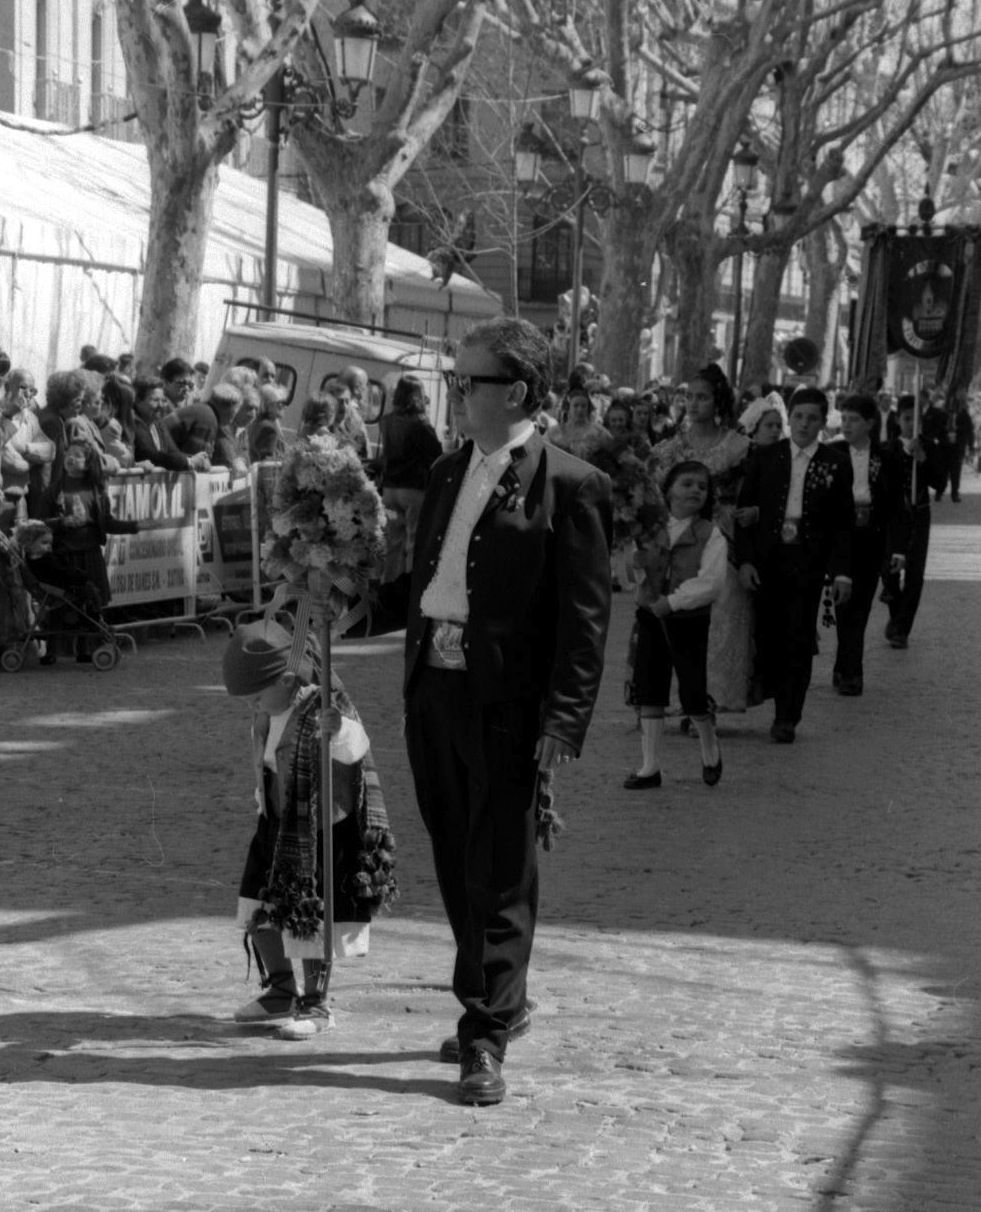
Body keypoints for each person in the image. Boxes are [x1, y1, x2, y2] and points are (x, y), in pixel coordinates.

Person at [391, 316, 612, 1106]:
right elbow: (427, 576)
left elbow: (583, 620)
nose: (454, 393)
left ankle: (483, 1034)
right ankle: (498, 998)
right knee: (456, 856)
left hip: (508, 701)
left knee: (500, 866)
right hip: (435, 689)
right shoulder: (450, 472)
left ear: (514, 390)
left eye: (467, 381)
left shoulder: (573, 485)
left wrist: (563, 720)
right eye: (453, 378)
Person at [221, 618, 397, 1037]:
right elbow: (266, 765)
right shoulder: (267, 714)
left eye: (257, 696)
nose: (253, 705)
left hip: (317, 832)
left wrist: (339, 730)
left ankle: (317, 1003)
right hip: (275, 826)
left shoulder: (322, 706)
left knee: (311, 916)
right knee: (260, 905)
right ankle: (281, 988)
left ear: (286, 679)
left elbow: (356, 747)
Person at [736, 386, 854, 743]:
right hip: (769, 557)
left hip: (808, 559)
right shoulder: (766, 457)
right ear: (790, 417)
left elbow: (843, 522)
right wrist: (745, 561)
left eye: (812, 418)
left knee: (799, 637)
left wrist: (842, 572)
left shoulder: (835, 462)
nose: (804, 424)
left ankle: (787, 715)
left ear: (822, 422)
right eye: (799, 416)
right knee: (769, 635)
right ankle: (769, 691)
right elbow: (745, 512)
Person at [652, 364, 752, 714]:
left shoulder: (737, 446)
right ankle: (676, 697)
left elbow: (748, 495)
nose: (694, 404)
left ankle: (710, 699)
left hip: (721, 540)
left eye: (703, 397)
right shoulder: (669, 449)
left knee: (721, 620)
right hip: (678, 542)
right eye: (689, 397)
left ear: (718, 401)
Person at [625, 461, 726, 790]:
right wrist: (636, 568)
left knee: (692, 690)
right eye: (687, 484)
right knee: (650, 687)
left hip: (687, 620)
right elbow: (630, 572)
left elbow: (710, 582)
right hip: (651, 617)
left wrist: (673, 601)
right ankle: (650, 766)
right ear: (668, 490)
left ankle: (709, 746)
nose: (695, 490)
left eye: (701, 486)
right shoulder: (649, 530)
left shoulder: (710, 534)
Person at [829, 394, 908, 696]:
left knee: (859, 607)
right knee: (842, 605)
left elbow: (897, 508)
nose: (847, 425)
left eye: (854, 420)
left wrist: (898, 548)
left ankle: (852, 671)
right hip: (839, 540)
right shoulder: (832, 453)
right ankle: (843, 664)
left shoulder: (886, 458)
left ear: (870, 424)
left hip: (870, 539)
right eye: (844, 419)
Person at [36, 440, 141, 660]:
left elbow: (108, 522)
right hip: (63, 554)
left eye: (78, 455)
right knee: (59, 603)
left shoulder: (97, 489)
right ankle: (53, 649)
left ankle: (85, 648)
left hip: (89, 554)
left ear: (87, 462)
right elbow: (41, 523)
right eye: (69, 454)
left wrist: (135, 526)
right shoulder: (54, 490)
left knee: (89, 603)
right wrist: (62, 522)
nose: (71, 458)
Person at [880, 394, 947, 648]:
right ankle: (896, 615)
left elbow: (940, 483)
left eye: (915, 420)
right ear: (899, 420)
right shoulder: (888, 449)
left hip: (919, 514)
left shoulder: (929, 446)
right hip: (894, 517)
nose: (911, 425)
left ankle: (901, 629)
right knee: (889, 570)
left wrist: (924, 461)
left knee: (915, 573)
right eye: (907, 419)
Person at [377, 374, 442, 583]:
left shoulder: (386, 421)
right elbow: (436, 455)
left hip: (389, 491)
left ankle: (387, 585)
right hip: (413, 490)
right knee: (413, 541)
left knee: (392, 541)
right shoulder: (421, 424)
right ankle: (408, 588)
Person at [1, 369, 55, 521]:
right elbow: (11, 463)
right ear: (7, 388)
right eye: (22, 388)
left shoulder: (30, 418)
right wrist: (29, 462)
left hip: (21, 500)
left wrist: (26, 448)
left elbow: (50, 451)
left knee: (22, 543)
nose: (28, 394)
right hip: (2, 499)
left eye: (32, 390)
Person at [165, 382, 248, 477]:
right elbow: (197, 462)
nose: (235, 415)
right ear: (229, 408)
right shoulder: (207, 419)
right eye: (236, 409)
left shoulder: (202, 410)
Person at [132, 376, 211, 472]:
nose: (161, 406)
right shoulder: (133, 422)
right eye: (155, 400)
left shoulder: (158, 424)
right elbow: (152, 456)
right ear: (138, 401)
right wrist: (189, 461)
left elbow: (173, 452)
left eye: (163, 400)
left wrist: (197, 459)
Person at [547, 388, 610, 460]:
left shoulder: (599, 431)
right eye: (576, 405)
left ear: (588, 408)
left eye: (583, 406)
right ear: (568, 408)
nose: (580, 409)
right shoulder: (554, 431)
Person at [247, 384, 288, 463]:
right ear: (268, 404)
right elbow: (267, 461)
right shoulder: (269, 429)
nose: (284, 407)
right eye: (280, 403)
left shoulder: (257, 421)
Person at [948, 400, 974, 502]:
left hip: (958, 445)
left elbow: (969, 430)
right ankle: (940, 489)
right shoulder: (947, 414)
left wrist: (970, 445)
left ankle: (955, 492)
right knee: (944, 468)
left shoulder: (965, 416)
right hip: (946, 445)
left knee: (956, 470)